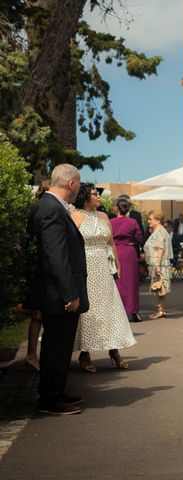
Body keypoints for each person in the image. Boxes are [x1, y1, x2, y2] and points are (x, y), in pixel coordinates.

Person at [26, 164, 88, 415]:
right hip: (58, 293)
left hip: (54, 290)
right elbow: (55, 256)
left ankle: (56, 390)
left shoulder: (47, 206)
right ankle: (49, 399)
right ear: (72, 184)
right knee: (56, 346)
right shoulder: (51, 209)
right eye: (79, 184)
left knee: (59, 345)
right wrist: (69, 293)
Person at [71, 184, 136, 372]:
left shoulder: (103, 216)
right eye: (94, 194)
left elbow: (111, 242)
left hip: (104, 267)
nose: (98, 196)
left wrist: (117, 262)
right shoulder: (75, 216)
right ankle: (85, 354)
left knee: (110, 308)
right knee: (89, 311)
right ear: (84, 196)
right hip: (86, 268)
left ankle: (114, 350)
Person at [22, 180, 51, 371]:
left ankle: (32, 354)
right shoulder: (45, 210)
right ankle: (33, 355)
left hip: (35, 267)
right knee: (40, 314)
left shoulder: (35, 209)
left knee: (38, 315)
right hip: (42, 269)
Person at [111, 197, 144, 323]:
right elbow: (139, 238)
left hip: (115, 252)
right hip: (129, 253)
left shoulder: (110, 221)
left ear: (117, 209)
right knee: (132, 284)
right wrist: (132, 242)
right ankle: (134, 312)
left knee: (117, 283)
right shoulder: (133, 222)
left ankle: (118, 313)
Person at [144, 210, 173, 319]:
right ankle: (161, 309)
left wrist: (157, 264)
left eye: (150, 219)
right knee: (159, 287)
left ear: (158, 220)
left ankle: (161, 310)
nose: (148, 221)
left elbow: (160, 248)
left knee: (160, 287)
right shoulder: (158, 230)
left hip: (159, 262)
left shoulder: (160, 231)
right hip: (158, 262)